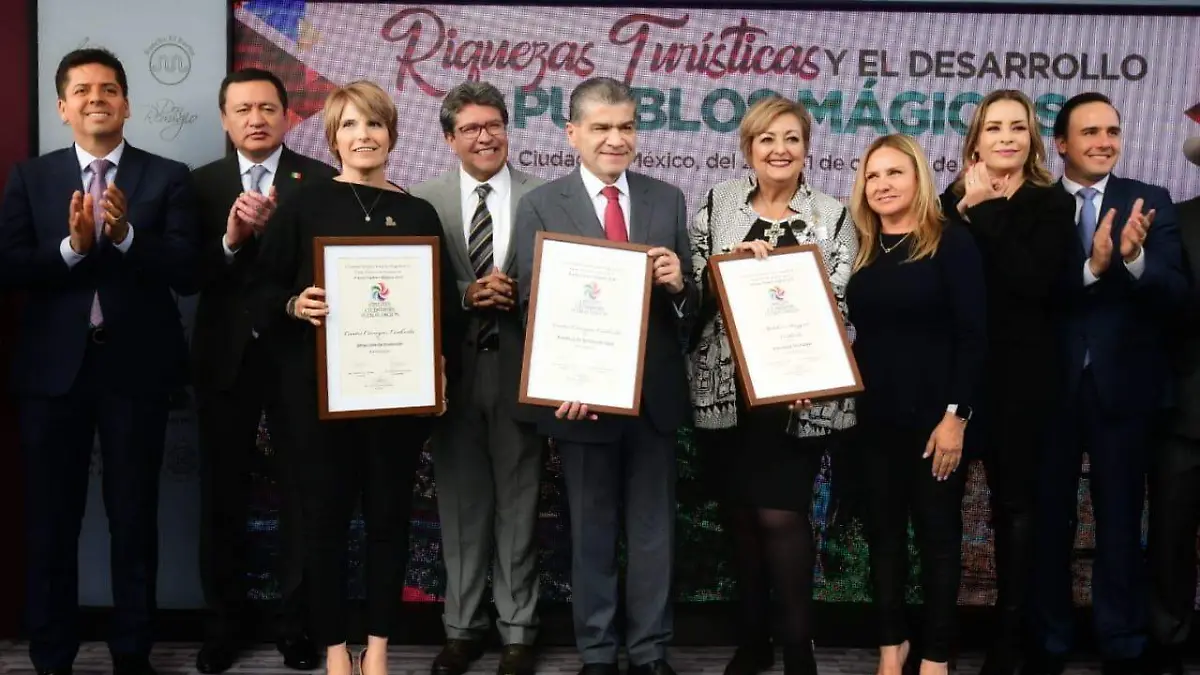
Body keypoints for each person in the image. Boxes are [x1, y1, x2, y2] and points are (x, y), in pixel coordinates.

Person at [250, 80, 462, 675]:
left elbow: (443, 311)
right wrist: (295, 305)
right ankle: (336, 650)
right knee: (324, 526)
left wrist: (439, 375)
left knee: (390, 525)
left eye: (374, 123)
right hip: (319, 402)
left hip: (397, 401)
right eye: (349, 124)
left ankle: (379, 648)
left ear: (392, 134)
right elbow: (260, 291)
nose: (363, 135)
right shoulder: (303, 206)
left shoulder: (418, 213)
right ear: (332, 137)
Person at [0, 48, 199, 675]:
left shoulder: (168, 176)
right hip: (51, 375)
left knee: (133, 518)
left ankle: (133, 654)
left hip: (136, 372)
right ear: (63, 107)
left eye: (109, 89)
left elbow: (189, 271)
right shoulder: (30, 178)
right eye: (82, 90)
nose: (96, 99)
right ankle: (51, 656)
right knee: (50, 521)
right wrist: (71, 247)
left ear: (127, 104)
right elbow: (10, 268)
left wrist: (125, 238)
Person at [513, 76, 696, 675]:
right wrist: (560, 382)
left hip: (653, 398)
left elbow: (691, 305)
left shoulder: (667, 198)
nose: (616, 139)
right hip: (580, 399)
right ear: (572, 134)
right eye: (601, 128)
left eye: (626, 127)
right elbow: (530, 305)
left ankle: (649, 652)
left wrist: (679, 285)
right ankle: (596, 653)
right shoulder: (541, 203)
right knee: (591, 533)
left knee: (652, 534)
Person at [687, 96, 856, 675]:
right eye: (767, 139)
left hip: (798, 398)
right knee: (740, 515)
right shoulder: (718, 203)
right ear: (748, 148)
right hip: (726, 391)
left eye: (791, 138)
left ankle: (798, 649)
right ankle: (754, 640)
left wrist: (814, 370)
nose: (779, 150)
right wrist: (726, 267)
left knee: (781, 516)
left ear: (807, 148)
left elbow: (841, 305)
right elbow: (690, 291)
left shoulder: (832, 214)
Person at [1027, 92, 1186, 675]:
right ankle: (1049, 642)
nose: (1103, 142)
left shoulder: (1150, 200)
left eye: (1112, 131)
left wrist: (1135, 258)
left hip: (1125, 391)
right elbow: (1028, 297)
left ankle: (1122, 641)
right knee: (1049, 521)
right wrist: (1092, 269)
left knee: (1120, 521)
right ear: (1061, 144)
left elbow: (1176, 294)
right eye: (1089, 132)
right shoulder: (1037, 206)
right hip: (1050, 389)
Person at [188, 67, 335, 674]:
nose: (256, 119)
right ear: (225, 119)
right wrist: (230, 239)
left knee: (303, 493)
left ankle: (294, 625)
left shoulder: (318, 181)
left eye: (268, 108)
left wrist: (279, 233)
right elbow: (187, 276)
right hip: (226, 359)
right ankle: (224, 625)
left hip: (297, 355)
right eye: (243, 109)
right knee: (222, 494)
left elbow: (331, 270)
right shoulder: (200, 183)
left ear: (286, 115)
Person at [937, 90, 1076, 675]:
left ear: (1033, 139)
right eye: (993, 127)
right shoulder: (948, 202)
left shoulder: (1050, 203)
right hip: (958, 380)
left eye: (1018, 127)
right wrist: (967, 207)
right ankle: (938, 637)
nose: (1006, 137)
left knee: (1015, 508)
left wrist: (985, 210)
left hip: (1024, 381)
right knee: (942, 509)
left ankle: (1009, 638)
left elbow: (1033, 281)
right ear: (975, 141)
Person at [410, 82, 545, 675]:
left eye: (494, 125)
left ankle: (518, 632)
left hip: (521, 371)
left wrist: (522, 295)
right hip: (452, 375)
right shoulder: (423, 200)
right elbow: (412, 283)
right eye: (470, 128)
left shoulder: (545, 197)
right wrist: (467, 293)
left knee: (520, 504)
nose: (485, 137)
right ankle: (462, 629)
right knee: (462, 507)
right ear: (449, 139)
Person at [846, 134, 986, 675]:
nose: (882, 184)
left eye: (894, 173)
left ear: (919, 178)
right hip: (872, 420)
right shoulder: (860, 246)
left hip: (935, 424)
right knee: (882, 537)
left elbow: (974, 336)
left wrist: (956, 417)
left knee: (938, 539)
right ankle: (892, 648)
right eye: (872, 175)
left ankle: (935, 656)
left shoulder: (951, 242)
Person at [1147, 136, 1200, 675]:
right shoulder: (1176, 222)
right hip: (1185, 408)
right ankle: (1168, 648)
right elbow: (1158, 310)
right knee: (1170, 537)